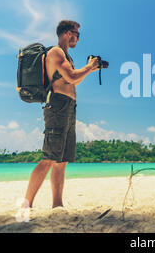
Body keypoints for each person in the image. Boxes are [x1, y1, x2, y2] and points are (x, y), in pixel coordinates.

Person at [23, 20, 100, 209]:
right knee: (49, 158)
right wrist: (89, 66)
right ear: (67, 32)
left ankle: (57, 205)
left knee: (61, 161)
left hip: (68, 106)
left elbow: (73, 81)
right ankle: (26, 204)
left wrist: (89, 70)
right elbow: (72, 77)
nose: (78, 39)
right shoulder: (56, 52)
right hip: (57, 106)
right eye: (77, 34)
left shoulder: (67, 57)